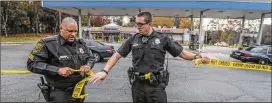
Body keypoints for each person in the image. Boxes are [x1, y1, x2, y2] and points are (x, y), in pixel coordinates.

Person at [89, 12, 212, 103]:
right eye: (136, 24)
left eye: (140, 24)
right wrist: (104, 71)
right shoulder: (133, 39)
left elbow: (183, 54)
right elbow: (116, 56)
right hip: (137, 85)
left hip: (156, 86)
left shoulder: (163, 39)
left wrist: (198, 55)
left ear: (150, 24)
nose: (138, 27)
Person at [27, 17, 96, 103]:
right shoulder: (47, 44)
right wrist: (57, 70)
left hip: (79, 89)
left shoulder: (80, 43)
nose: (73, 34)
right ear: (61, 29)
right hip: (59, 93)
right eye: (70, 31)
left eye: (75, 31)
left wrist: (88, 65)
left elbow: (91, 57)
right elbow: (32, 64)